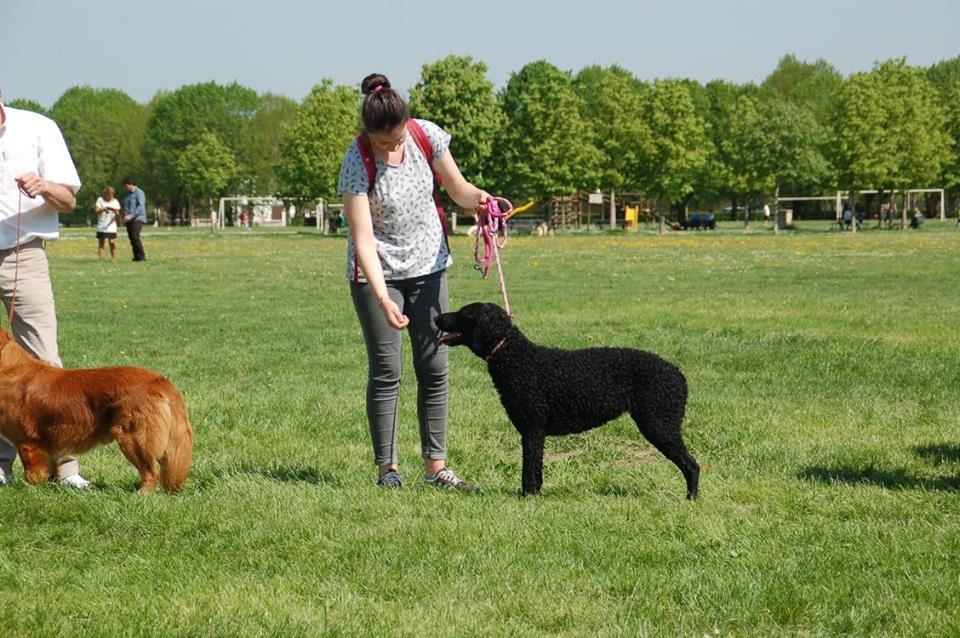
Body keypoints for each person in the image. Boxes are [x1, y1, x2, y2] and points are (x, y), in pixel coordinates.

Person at [338, 73, 491, 490]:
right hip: (378, 274)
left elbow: (458, 189)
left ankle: (436, 468)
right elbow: (364, 240)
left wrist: (481, 200)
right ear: (368, 133)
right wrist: (384, 299)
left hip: (428, 266)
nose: (394, 148)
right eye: (384, 143)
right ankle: (387, 470)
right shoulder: (357, 160)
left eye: (398, 138)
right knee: (388, 371)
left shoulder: (425, 136)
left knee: (434, 365)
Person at [0, 89, 91, 488]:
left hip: (22, 253)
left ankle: (63, 468)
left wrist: (43, 186)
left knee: (43, 360)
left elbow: (68, 201)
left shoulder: (38, 128)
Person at [121, 176, 146, 261]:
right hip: (129, 219)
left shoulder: (139, 192)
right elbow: (126, 207)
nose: (125, 188)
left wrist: (132, 215)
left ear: (130, 184)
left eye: (125, 186)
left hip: (138, 218)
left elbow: (140, 206)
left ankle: (141, 256)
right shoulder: (128, 195)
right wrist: (125, 215)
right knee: (131, 237)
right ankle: (136, 256)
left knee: (135, 236)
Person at [95, 186, 121, 262]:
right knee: (101, 242)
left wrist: (114, 211)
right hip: (102, 224)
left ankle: (113, 258)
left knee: (111, 242)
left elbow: (118, 214)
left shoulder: (115, 201)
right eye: (108, 195)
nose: (109, 197)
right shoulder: (100, 200)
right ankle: (101, 259)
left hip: (111, 225)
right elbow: (96, 211)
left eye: (111, 195)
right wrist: (102, 209)